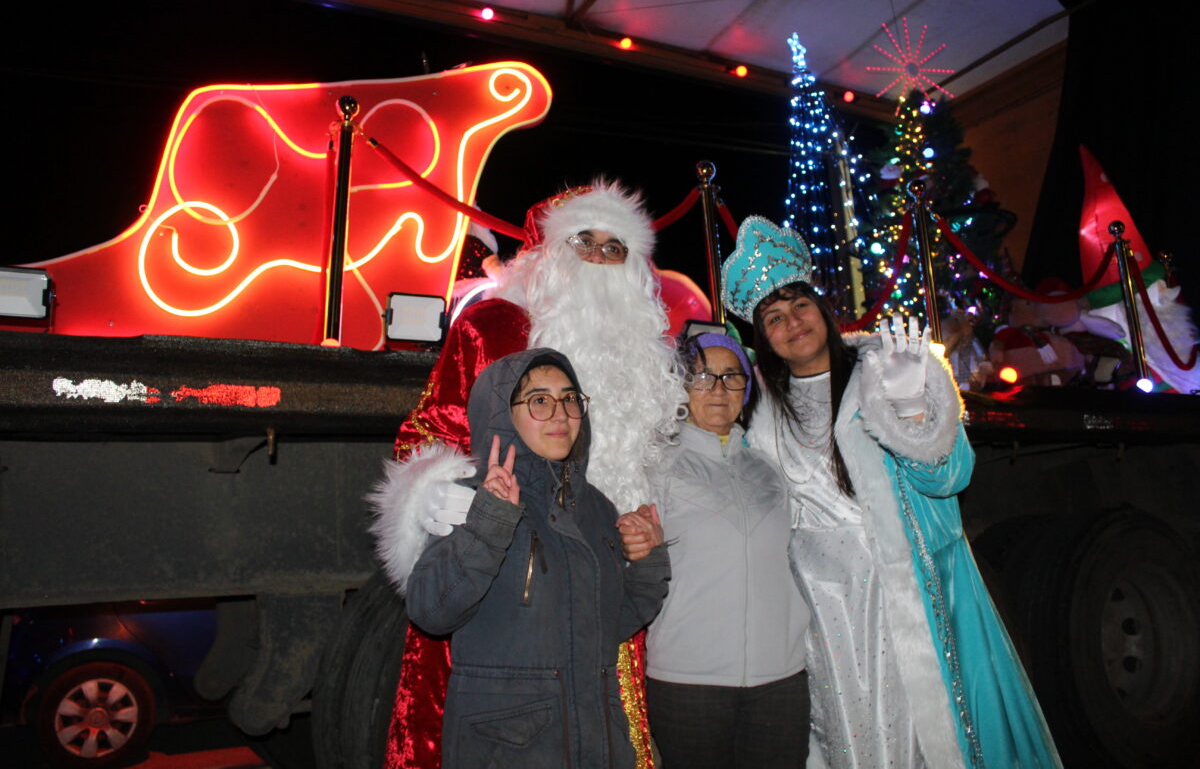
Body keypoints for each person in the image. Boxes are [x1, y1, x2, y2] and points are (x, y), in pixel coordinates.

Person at [720, 216, 1061, 769]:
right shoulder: (756, 407)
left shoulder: (888, 370)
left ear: (821, 308)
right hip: (816, 608)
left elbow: (950, 479)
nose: (792, 323)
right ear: (764, 338)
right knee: (842, 734)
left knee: (925, 730)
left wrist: (914, 411)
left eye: (799, 305)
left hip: (900, 589)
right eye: (774, 318)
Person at [370, 181, 687, 769]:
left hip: (599, 578)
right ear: (550, 251)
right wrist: (429, 491)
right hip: (506, 570)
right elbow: (429, 428)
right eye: (583, 240)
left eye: (614, 247)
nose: (598, 257)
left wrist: (647, 554)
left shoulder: (644, 352)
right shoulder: (493, 325)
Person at [406, 348, 670, 767]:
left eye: (570, 399)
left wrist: (648, 562)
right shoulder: (471, 497)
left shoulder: (595, 507)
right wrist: (490, 522)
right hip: (508, 748)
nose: (560, 414)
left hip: (595, 743)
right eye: (539, 400)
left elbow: (608, 625)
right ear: (502, 413)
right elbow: (431, 610)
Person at [628, 332, 811, 768]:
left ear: (746, 390)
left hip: (780, 680)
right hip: (688, 681)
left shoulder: (772, 469)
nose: (717, 388)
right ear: (680, 388)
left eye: (731, 377)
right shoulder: (654, 468)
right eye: (702, 376)